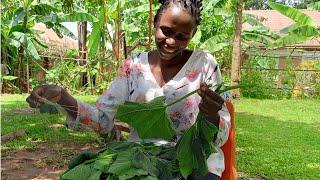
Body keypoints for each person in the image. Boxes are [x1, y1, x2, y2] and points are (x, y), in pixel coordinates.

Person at [26, 0, 230, 179]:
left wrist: (212, 116)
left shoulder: (205, 65)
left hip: (194, 159)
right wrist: (63, 97)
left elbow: (221, 135)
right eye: (165, 31)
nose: (171, 41)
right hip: (140, 158)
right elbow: (103, 120)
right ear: (155, 25)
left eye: (182, 36)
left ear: (192, 34)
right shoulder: (133, 67)